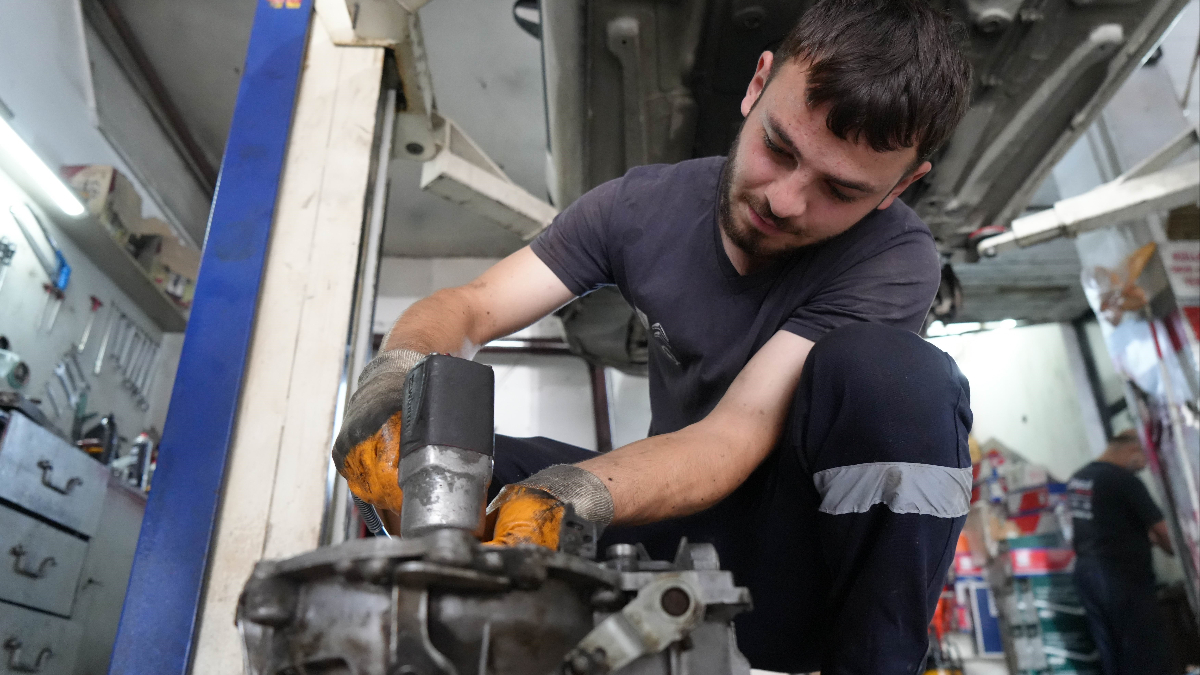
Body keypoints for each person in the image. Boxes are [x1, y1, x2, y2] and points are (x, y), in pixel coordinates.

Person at [334, 1, 975, 671]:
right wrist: (392, 379)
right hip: (676, 535)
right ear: (757, 85)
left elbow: (734, 436)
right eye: (779, 148)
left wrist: (569, 494)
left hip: (803, 574)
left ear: (900, 186)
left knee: (900, 381)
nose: (786, 199)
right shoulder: (641, 209)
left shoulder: (895, 259)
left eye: (839, 190)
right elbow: (474, 305)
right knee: (432, 458)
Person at [1067, 430, 1175, 675]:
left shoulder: (1079, 478)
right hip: (1121, 577)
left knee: (1112, 652)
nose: (1145, 465)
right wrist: (1177, 551)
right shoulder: (1124, 480)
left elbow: (1109, 525)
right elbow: (1163, 530)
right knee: (1143, 652)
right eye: (1145, 457)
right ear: (1132, 450)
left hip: (1087, 574)